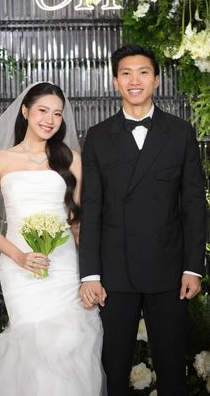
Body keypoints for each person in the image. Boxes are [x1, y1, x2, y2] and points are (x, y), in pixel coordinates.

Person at [79, 44, 206, 396]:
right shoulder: (98, 136)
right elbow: (92, 207)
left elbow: (194, 204)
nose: (134, 80)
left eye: (143, 72)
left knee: (172, 369)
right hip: (114, 271)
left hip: (169, 270)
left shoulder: (180, 133)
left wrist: (193, 267)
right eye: (126, 73)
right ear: (116, 82)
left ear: (157, 80)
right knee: (114, 369)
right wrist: (90, 273)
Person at [0, 82, 106, 396]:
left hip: (63, 267)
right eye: (43, 111)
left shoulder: (71, 159)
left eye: (57, 114)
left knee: (70, 342)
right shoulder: (1, 160)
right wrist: (19, 257)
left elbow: (78, 224)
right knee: (30, 345)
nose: (49, 119)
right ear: (25, 111)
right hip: (19, 269)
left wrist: (89, 274)